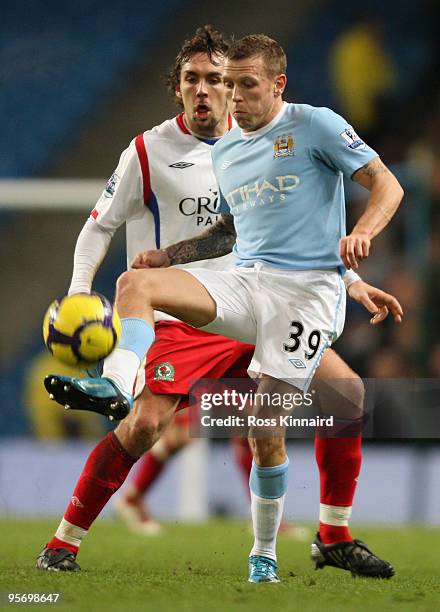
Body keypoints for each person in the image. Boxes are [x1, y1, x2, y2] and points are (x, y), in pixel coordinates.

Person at [40, 31, 404, 582]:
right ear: (179, 88)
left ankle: (332, 535)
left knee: (346, 394)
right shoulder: (148, 149)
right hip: (189, 313)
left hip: (259, 303)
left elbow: (275, 234)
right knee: (144, 428)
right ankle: (64, 539)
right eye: (198, 80)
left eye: (223, 80)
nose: (213, 91)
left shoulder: (256, 139)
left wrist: (349, 280)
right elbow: (102, 227)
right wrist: (82, 288)